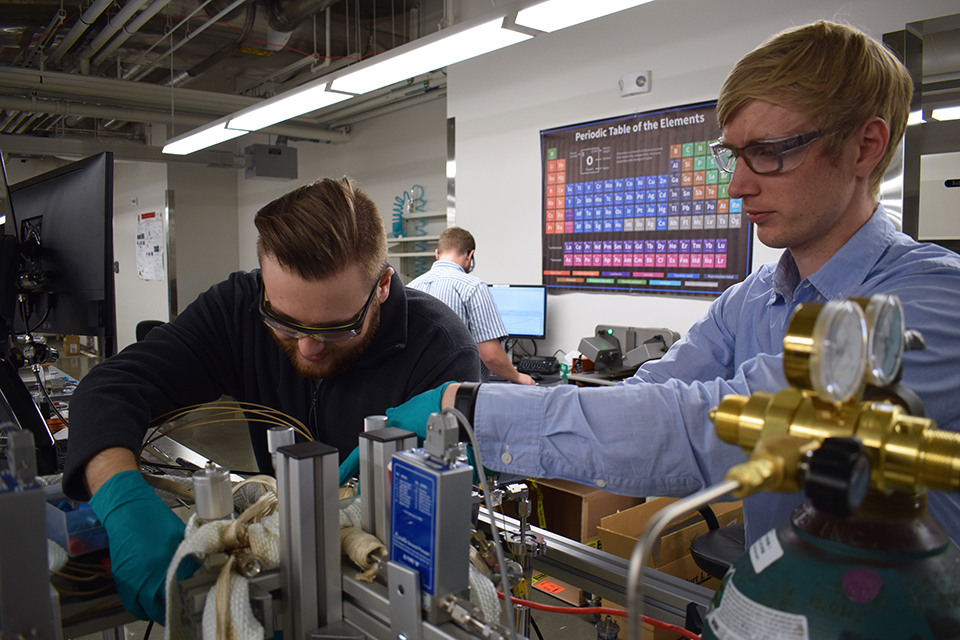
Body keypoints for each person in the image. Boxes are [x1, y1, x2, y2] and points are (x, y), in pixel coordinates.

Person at [388, 21, 960, 547]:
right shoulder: (753, 300)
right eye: (732, 155)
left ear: (866, 146)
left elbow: (715, 427)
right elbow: (650, 397)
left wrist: (468, 406)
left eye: (766, 153)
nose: (736, 187)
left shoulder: (930, 304)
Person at [62, 176, 481, 622]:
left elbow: (431, 519)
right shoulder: (239, 308)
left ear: (381, 287)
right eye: (283, 322)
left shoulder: (438, 349)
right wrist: (121, 499)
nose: (306, 348)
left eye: (336, 327)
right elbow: (111, 387)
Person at [408, 227, 535, 385]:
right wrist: (518, 377)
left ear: (437, 254)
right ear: (470, 255)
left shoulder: (411, 287)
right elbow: (490, 356)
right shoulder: (472, 286)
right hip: (458, 396)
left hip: (417, 395)